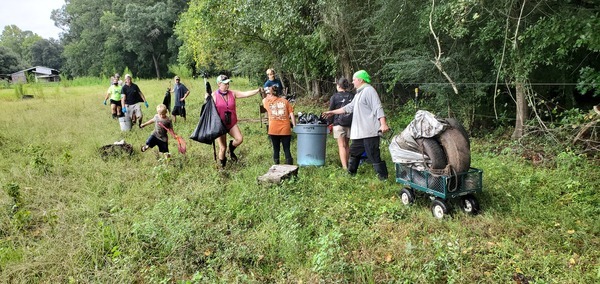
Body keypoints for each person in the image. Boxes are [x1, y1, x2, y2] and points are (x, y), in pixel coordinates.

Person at [322, 70, 390, 180]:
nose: (352, 82)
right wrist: (332, 112)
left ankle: (383, 179)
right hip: (359, 134)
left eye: (354, 79)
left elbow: (378, 107)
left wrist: (383, 123)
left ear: (360, 80)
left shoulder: (369, 91)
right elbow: (348, 108)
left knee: (373, 155)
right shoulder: (358, 93)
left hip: (369, 132)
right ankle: (350, 175)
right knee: (354, 153)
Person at [207, 74, 263, 168]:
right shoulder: (214, 95)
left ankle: (231, 149)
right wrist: (207, 99)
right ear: (219, 84)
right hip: (220, 125)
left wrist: (257, 90)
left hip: (231, 123)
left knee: (239, 139)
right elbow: (207, 110)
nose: (227, 85)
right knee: (222, 148)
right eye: (225, 84)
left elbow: (245, 94)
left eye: (228, 83)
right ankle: (223, 167)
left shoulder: (232, 93)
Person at [263, 85, 296, 165]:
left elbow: (264, 99)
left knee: (276, 149)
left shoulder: (267, 102)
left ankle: (276, 167)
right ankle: (290, 168)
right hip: (285, 129)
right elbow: (291, 114)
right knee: (287, 149)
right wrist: (294, 126)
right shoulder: (285, 101)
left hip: (273, 129)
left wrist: (268, 93)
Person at [328, 77, 354, 170]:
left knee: (341, 145)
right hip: (350, 123)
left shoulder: (334, 97)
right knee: (347, 145)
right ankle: (348, 164)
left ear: (338, 85)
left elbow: (331, 111)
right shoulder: (352, 96)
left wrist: (329, 123)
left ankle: (344, 167)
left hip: (338, 123)